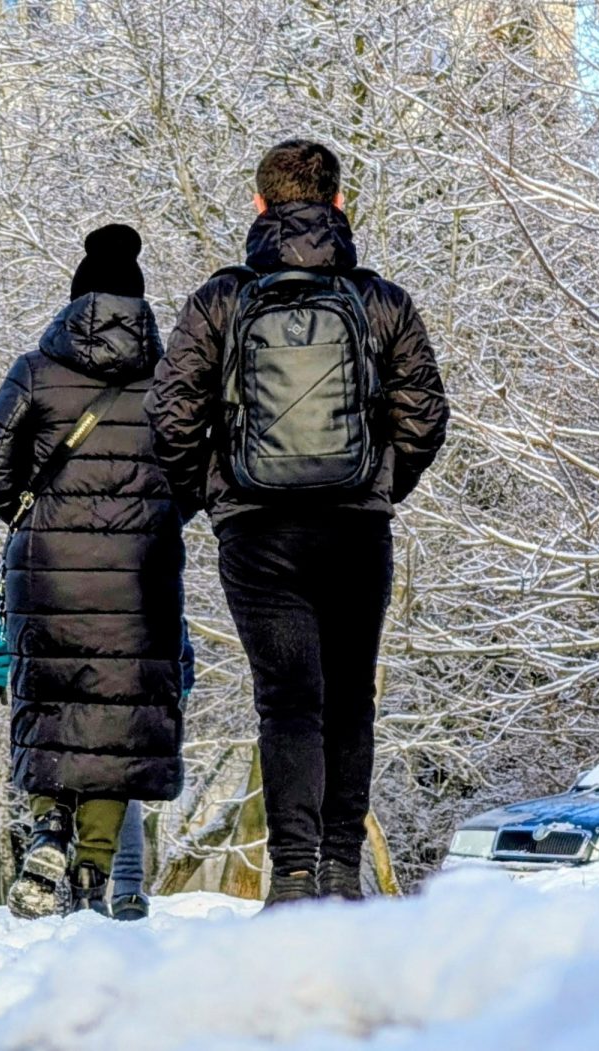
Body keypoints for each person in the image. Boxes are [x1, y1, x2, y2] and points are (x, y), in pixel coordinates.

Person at [145, 140, 449, 907]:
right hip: (355, 530)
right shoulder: (383, 301)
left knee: (286, 700)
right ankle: (343, 869)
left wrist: (221, 497)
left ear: (259, 206)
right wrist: (379, 485)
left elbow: (171, 416)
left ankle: (293, 876)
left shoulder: (220, 301)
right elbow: (425, 417)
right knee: (349, 696)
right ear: (339, 204)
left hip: (258, 533)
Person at [0, 223, 188, 919]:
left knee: (50, 705)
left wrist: (35, 519)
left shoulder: (37, 370)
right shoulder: (168, 380)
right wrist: (152, 519)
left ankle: (47, 829)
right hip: (138, 577)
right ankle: (93, 870)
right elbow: (192, 471)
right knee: (115, 721)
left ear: (75, 303)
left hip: (48, 574)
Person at [0, 580, 196, 919]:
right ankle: (91, 881)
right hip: (119, 667)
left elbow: (1, 597)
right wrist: (178, 677)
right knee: (110, 769)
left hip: (46, 660)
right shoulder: (140, 529)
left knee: (48, 753)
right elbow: (165, 606)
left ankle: (50, 828)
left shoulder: (29, 527)